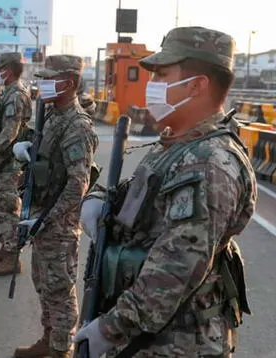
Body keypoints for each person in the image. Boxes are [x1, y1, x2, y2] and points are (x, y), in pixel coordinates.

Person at [73, 26, 257, 358]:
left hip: (179, 343)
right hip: (150, 336)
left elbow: (175, 269)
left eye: (161, 75)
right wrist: (99, 201)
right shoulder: (176, 145)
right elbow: (135, 199)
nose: (151, 86)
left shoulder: (208, 163)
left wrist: (109, 328)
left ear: (197, 85)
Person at [11, 55, 99, 358]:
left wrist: (46, 219)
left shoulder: (76, 125)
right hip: (42, 215)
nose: (43, 84)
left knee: (59, 291)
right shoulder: (51, 115)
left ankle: (62, 349)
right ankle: (49, 339)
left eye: (50, 79)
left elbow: (78, 184)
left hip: (58, 222)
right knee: (42, 282)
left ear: (70, 83)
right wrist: (28, 155)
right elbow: (48, 161)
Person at [0, 52, 32, 276]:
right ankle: (6, 246)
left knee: (8, 209)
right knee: (1, 208)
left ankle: (12, 257)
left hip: (9, 162)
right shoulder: (8, 92)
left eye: (0, 69)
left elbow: (11, 130)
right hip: (4, 160)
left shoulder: (15, 95)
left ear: (8, 71)